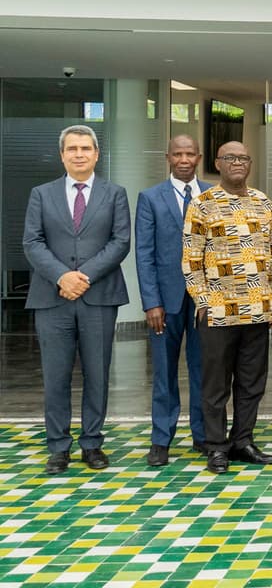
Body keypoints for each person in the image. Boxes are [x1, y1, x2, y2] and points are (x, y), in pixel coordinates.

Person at [23, 124, 130, 474]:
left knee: (97, 374)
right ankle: (58, 447)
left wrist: (83, 277)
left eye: (86, 148)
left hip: (98, 296)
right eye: (72, 149)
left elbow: (120, 241)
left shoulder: (115, 194)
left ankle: (92, 443)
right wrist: (62, 277)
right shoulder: (42, 193)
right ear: (62, 155)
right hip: (52, 298)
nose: (79, 154)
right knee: (55, 376)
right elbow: (32, 242)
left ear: (97, 154)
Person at [182, 141, 272, 474]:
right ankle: (215, 446)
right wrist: (202, 300)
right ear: (217, 163)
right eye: (231, 158)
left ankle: (242, 441)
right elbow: (191, 259)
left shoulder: (263, 203)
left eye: (243, 157)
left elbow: (271, 257)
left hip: (257, 310)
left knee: (252, 383)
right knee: (215, 384)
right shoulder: (202, 204)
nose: (238, 163)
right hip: (218, 312)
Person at [135, 134, 209, 467]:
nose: (183, 159)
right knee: (164, 373)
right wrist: (151, 302)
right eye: (177, 153)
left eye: (189, 153)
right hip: (164, 302)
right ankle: (161, 439)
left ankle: (203, 434)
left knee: (204, 370)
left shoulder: (212, 194)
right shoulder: (150, 198)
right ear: (168, 157)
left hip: (205, 300)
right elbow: (144, 253)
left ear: (199, 157)